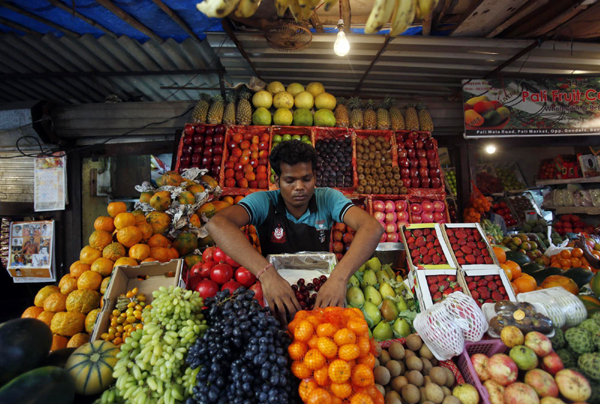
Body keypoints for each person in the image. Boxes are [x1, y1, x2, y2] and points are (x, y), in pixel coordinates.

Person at [206, 140, 384, 325]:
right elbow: (217, 224)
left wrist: (339, 278)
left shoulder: (327, 198)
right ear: (277, 181)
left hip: (319, 287)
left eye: (306, 179)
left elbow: (372, 228)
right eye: (290, 180)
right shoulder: (263, 202)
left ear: (315, 176)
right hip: (275, 286)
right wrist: (267, 275)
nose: (299, 187)